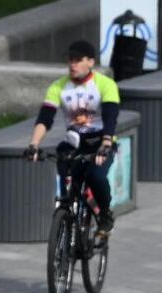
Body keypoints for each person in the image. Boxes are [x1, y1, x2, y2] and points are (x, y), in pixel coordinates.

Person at [27, 42, 122, 241]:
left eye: (78, 60)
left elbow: (111, 116)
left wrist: (106, 143)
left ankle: (105, 214)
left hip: (100, 142)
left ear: (90, 62)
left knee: (96, 177)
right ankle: (66, 216)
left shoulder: (105, 84)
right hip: (74, 142)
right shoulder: (58, 87)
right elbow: (45, 118)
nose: (72, 64)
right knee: (66, 178)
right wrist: (34, 144)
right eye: (70, 60)